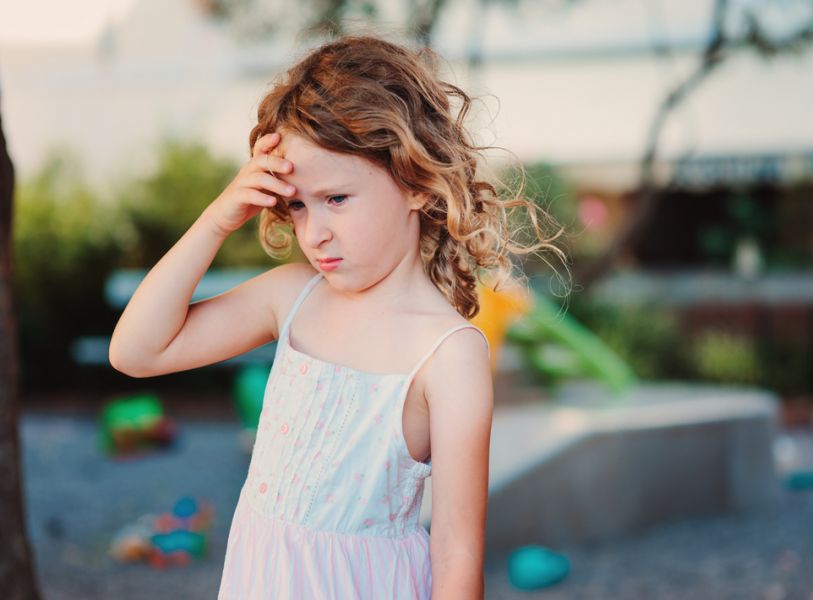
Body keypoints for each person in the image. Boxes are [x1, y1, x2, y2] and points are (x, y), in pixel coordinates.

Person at [109, 33, 568, 599]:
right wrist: (216, 221)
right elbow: (136, 352)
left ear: (418, 183)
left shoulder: (448, 353)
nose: (313, 231)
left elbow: (457, 550)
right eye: (298, 205)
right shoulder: (293, 296)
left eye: (337, 199)